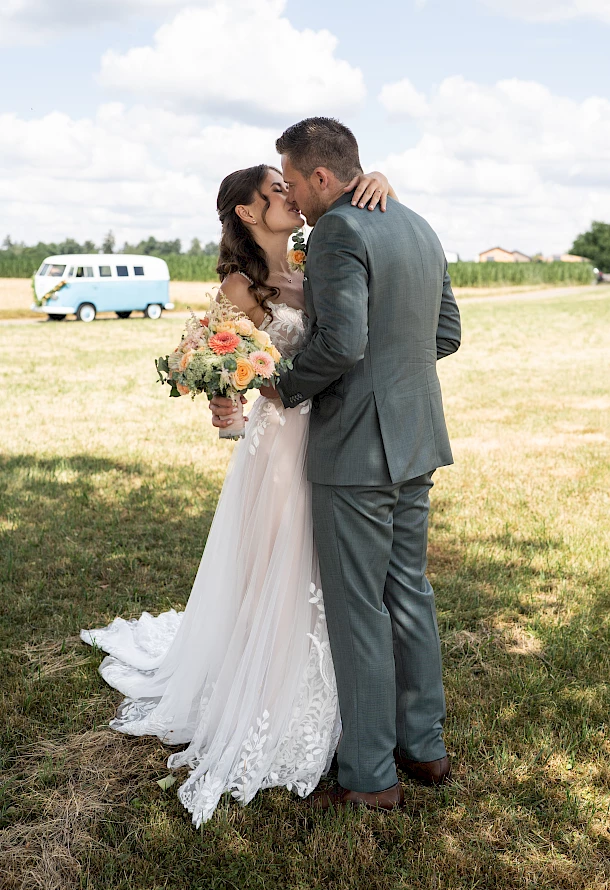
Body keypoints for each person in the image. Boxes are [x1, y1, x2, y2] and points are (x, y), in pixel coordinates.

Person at [81, 163, 394, 827]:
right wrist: (224, 406)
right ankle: (268, 690)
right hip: (279, 445)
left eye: (289, 186)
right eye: (276, 191)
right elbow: (222, 371)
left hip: (333, 434)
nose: (290, 195)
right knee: (278, 564)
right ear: (249, 213)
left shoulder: (313, 260)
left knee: (327, 563)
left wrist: (378, 181)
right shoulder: (237, 287)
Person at [211, 117, 461, 811]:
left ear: (321, 177)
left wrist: (282, 387)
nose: (290, 194)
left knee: (357, 612)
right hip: (416, 441)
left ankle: (370, 776)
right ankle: (425, 747)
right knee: (408, 594)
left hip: (356, 450)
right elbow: (445, 333)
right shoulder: (417, 225)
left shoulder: (337, 233)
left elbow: (344, 344)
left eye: (292, 181)